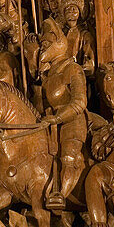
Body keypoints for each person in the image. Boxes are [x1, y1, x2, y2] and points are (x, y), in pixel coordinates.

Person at [37, 18, 88, 205]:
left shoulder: (73, 69)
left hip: (71, 121)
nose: (42, 49)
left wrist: (58, 118)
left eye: (45, 44)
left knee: (68, 156)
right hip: (51, 121)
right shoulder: (48, 76)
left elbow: (80, 102)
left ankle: (60, 195)